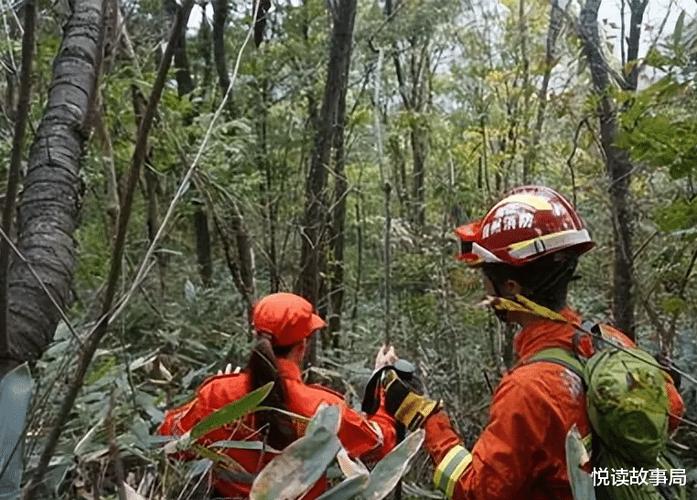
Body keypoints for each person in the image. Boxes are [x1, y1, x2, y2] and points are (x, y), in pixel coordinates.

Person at [378, 185, 685, 499]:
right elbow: (672, 410)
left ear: (511, 288)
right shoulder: (610, 341)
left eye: (486, 279)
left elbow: (478, 490)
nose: (485, 292)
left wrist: (425, 417)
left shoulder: (528, 389)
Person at [158, 292, 397, 499]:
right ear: (302, 346)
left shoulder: (218, 393)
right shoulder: (325, 409)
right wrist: (380, 384)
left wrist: (220, 399)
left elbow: (171, 442)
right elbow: (379, 444)